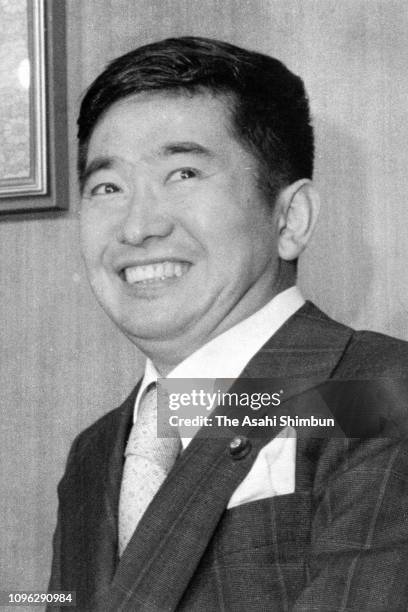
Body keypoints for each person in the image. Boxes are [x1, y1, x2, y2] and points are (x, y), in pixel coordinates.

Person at [48, 36, 408, 611]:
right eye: (108, 187)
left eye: (184, 173)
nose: (137, 227)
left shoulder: (380, 395)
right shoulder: (94, 453)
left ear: (291, 218)